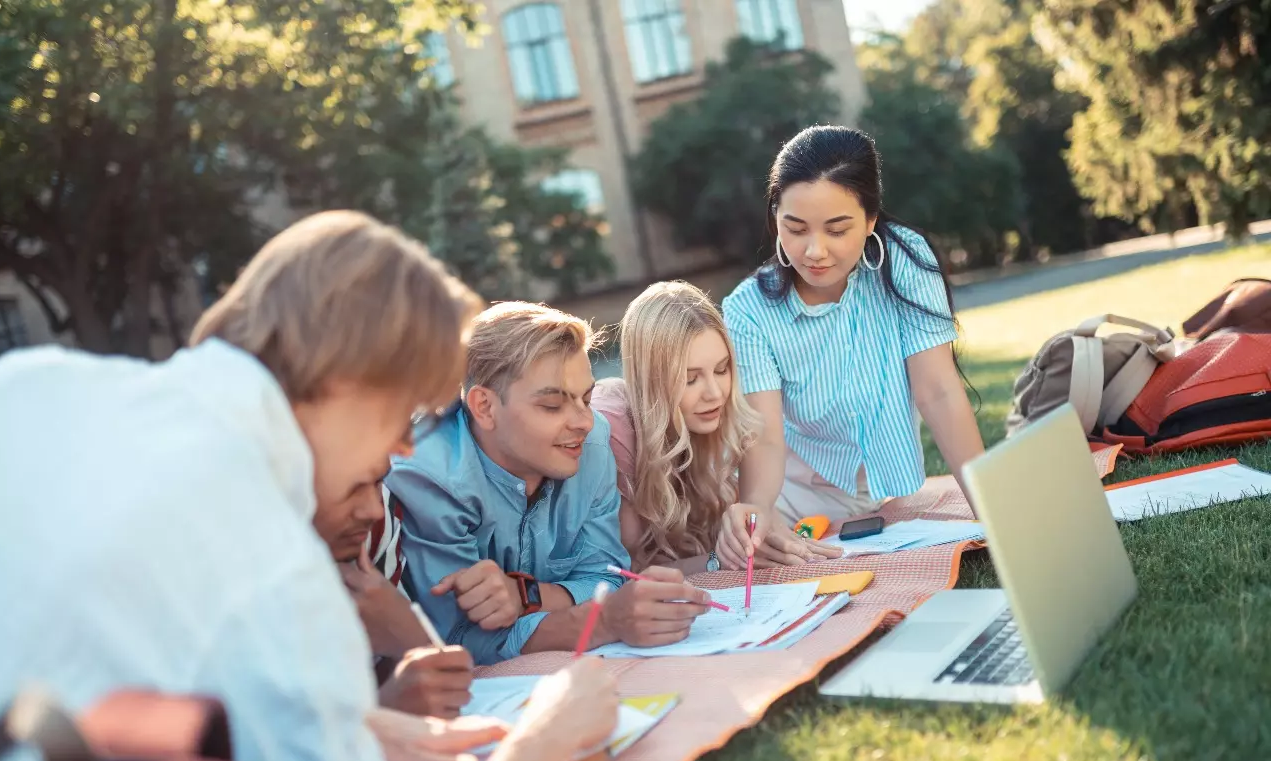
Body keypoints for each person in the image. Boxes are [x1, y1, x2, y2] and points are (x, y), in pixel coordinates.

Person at [0, 210, 620, 761]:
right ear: (350, 382)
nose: (400, 450)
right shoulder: (278, 568)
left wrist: (359, 733)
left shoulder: (26, 386)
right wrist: (545, 737)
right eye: (401, 414)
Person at [717, 125, 986, 571]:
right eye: (795, 228)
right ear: (775, 219)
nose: (815, 251)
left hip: (883, 489)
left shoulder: (907, 260)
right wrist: (760, 508)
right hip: (790, 491)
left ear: (871, 219)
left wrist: (991, 509)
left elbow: (937, 391)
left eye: (838, 229)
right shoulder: (748, 310)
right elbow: (763, 433)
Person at [387, 302, 714, 665]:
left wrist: (525, 596)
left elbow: (606, 577)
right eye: (553, 406)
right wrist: (601, 621)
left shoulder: (590, 443)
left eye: (586, 399)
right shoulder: (429, 476)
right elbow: (459, 638)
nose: (584, 422)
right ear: (484, 407)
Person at [591, 281, 761, 572]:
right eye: (690, 378)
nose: (715, 393)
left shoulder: (708, 424)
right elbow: (621, 575)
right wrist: (718, 562)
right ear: (652, 381)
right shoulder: (611, 432)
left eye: (722, 370)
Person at [317, 472, 474, 720]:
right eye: (350, 489)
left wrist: (407, 634)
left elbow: (434, 688)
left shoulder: (376, 523)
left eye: (378, 480)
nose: (373, 510)